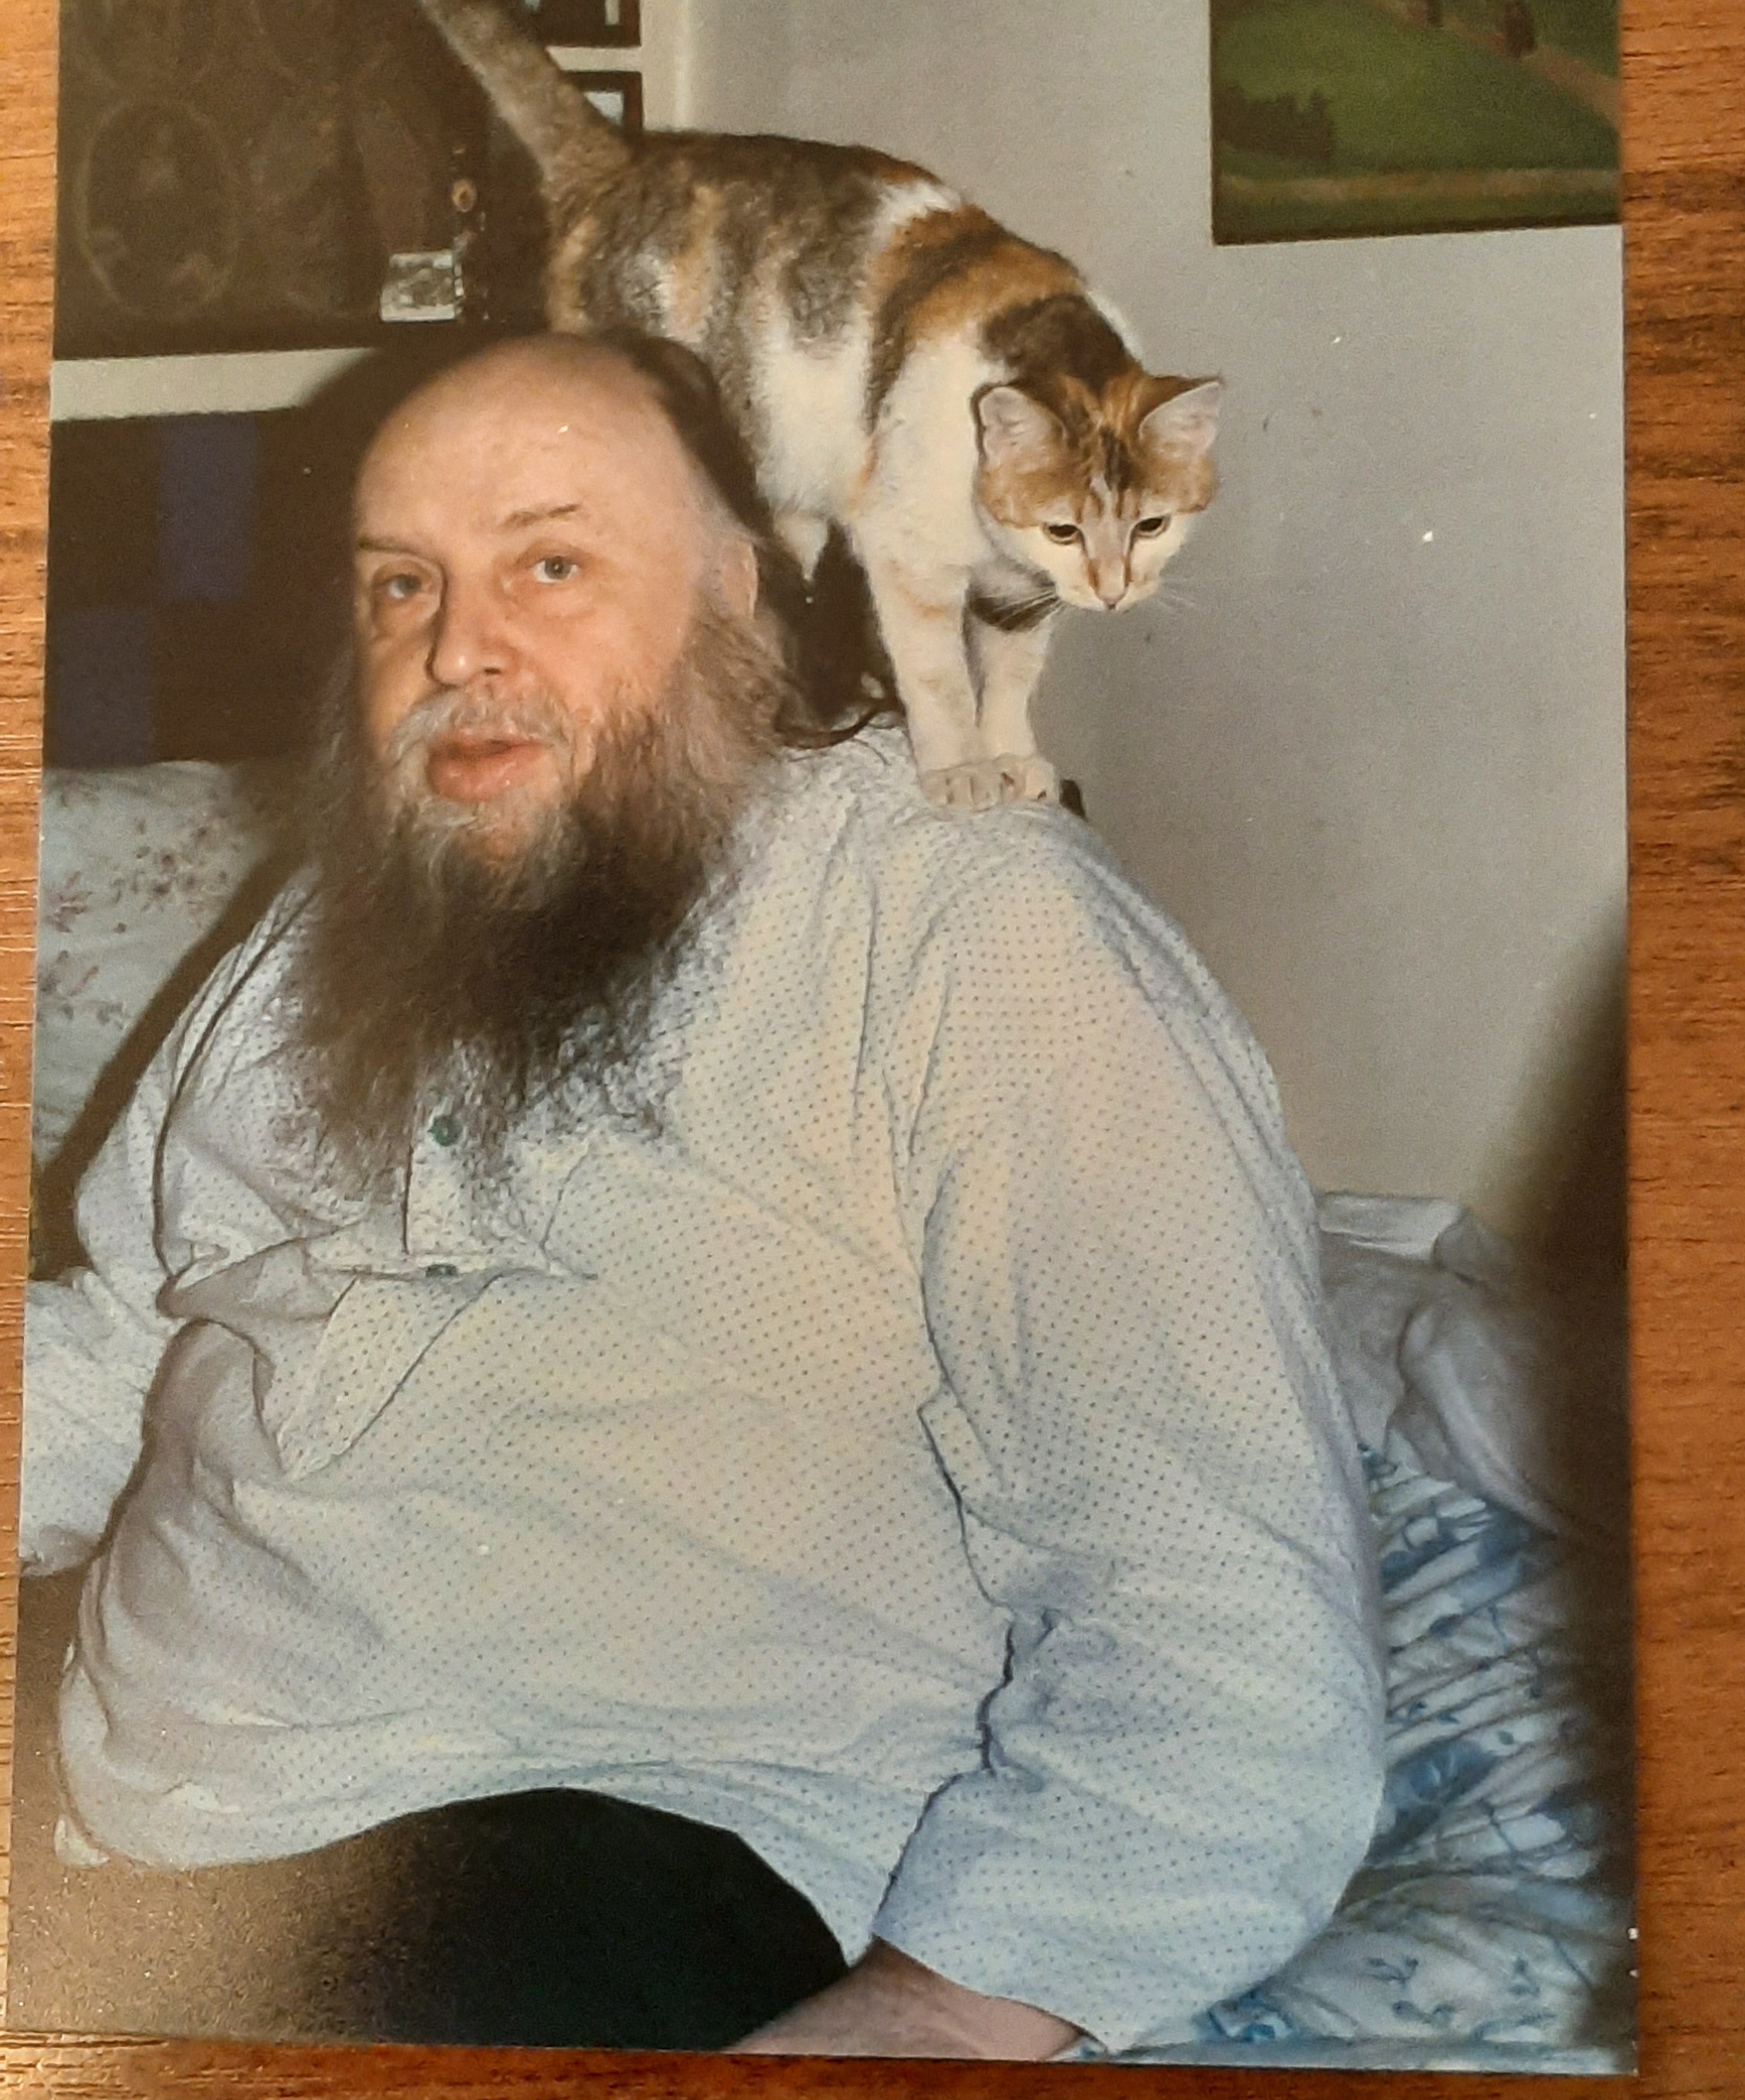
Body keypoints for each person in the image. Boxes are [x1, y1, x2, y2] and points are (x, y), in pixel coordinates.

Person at [17, 331, 1383, 2057]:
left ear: (742, 593)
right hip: (129, 1823)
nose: (456, 648)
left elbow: (1209, 1614)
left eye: (550, 566)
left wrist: (925, 2019)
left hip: (608, 1840)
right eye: (400, 584)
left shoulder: (973, 924)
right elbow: (142, 1332)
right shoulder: (349, 909)